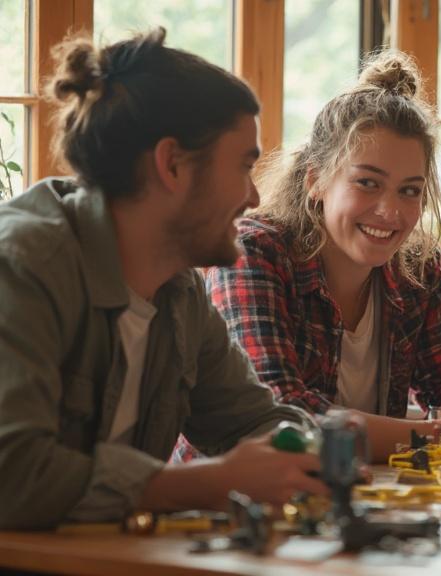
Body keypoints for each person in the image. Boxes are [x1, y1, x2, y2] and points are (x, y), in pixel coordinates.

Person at [0, 29, 330, 530]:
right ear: (172, 164)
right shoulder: (23, 264)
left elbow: (254, 421)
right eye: (243, 166)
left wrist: (299, 448)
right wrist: (202, 484)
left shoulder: (179, 292)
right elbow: (13, 471)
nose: (254, 198)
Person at [201, 50, 441, 461]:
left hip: (358, 498)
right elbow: (280, 415)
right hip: (228, 506)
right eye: (368, 183)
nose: (390, 212)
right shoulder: (254, 253)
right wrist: (433, 437)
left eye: (409, 190)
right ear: (316, 181)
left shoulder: (418, 266)